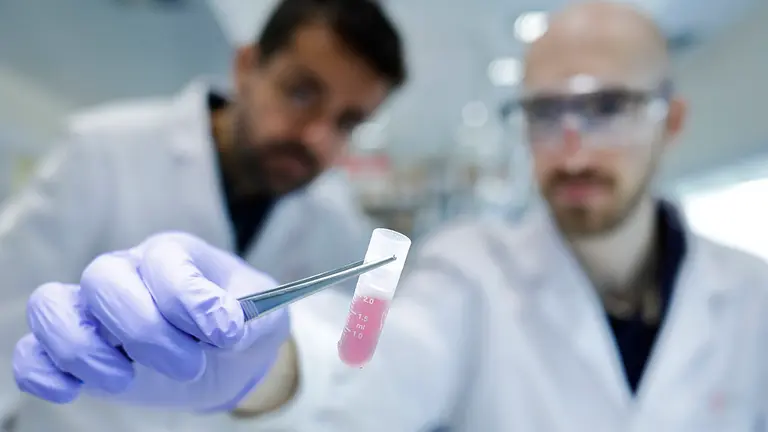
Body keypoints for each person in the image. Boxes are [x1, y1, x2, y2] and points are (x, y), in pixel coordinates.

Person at [13, 1, 768, 431]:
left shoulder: (756, 297)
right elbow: (366, 347)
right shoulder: (460, 262)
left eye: (607, 109)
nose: (570, 150)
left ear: (671, 121)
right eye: (545, 112)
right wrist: (275, 359)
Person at [1, 0, 406, 430]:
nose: (316, 136)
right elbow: (4, 305)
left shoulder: (334, 221)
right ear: (247, 66)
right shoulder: (104, 150)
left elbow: (345, 369)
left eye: (347, 122)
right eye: (301, 93)